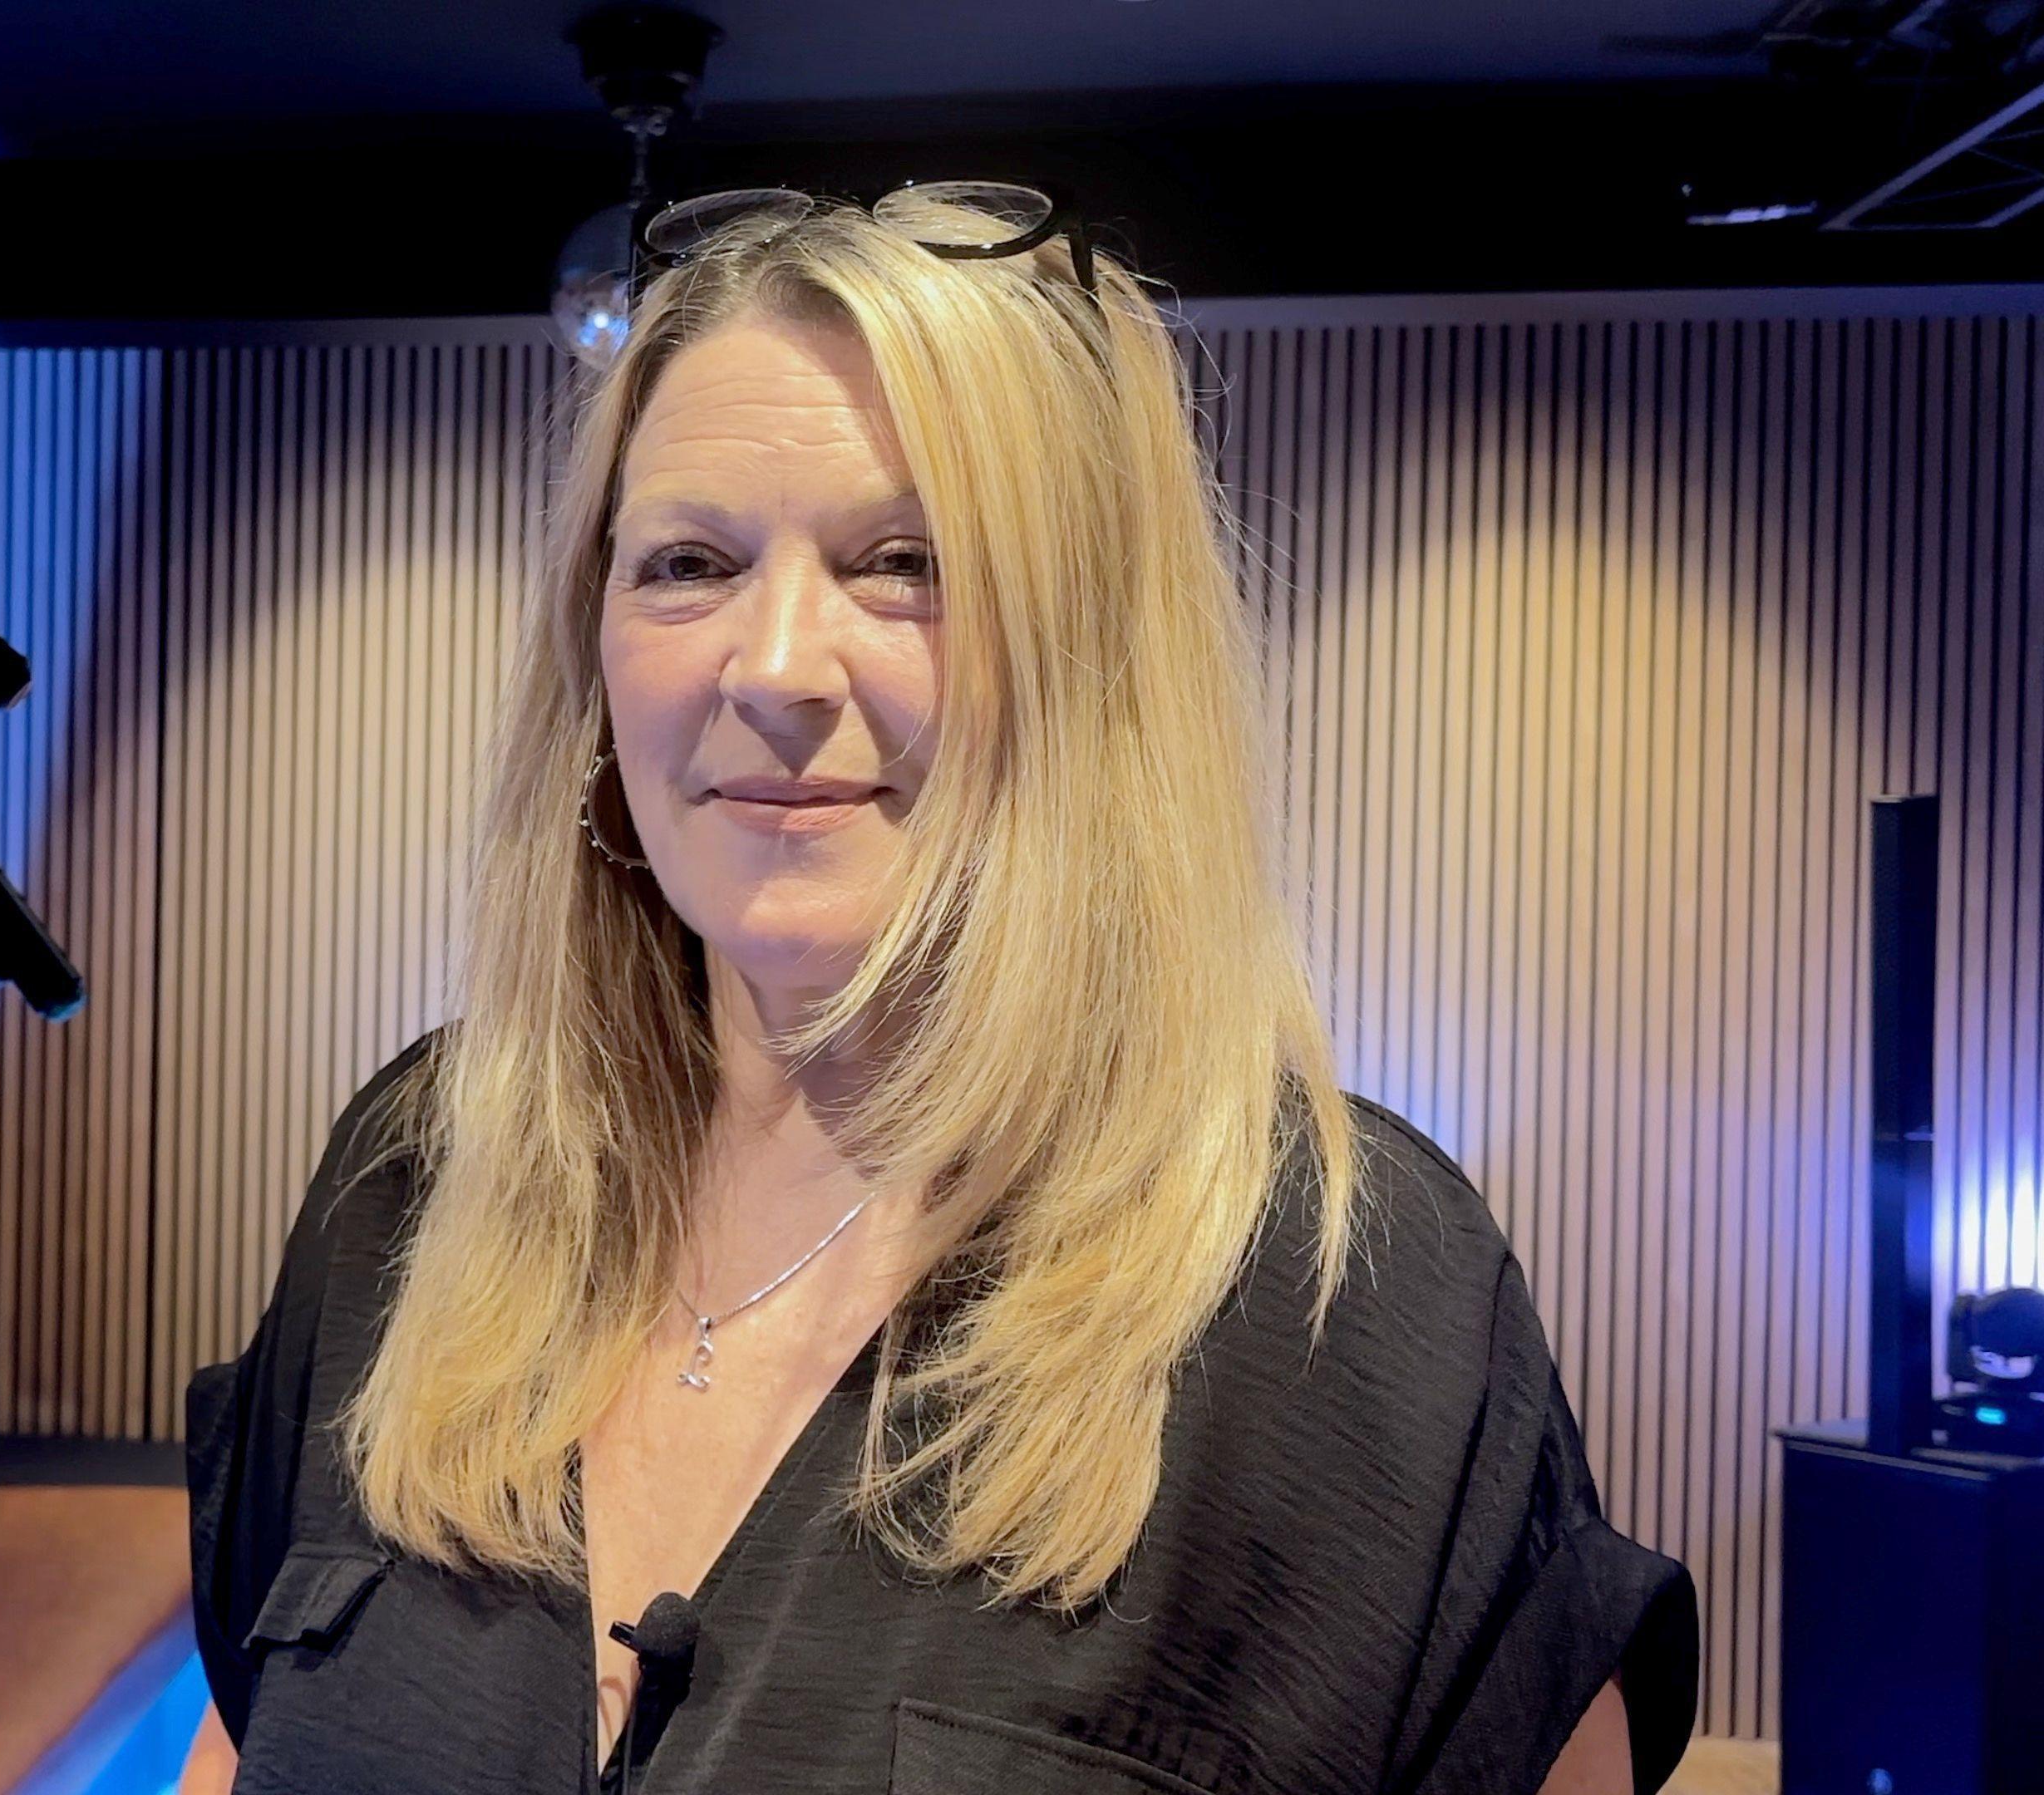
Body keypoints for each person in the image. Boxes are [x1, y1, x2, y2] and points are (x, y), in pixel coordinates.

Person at [177, 185, 1697, 1794]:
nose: (773, 669)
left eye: (904, 563)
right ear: (595, 645)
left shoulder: (1356, 1309)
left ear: (1090, 664)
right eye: (689, 561)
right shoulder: (415, 1183)